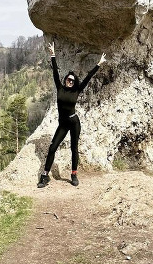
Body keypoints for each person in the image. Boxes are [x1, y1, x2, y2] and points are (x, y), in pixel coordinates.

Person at [37, 42, 106, 188]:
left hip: (74, 122)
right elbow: (55, 72)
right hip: (62, 123)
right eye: (68, 79)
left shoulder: (77, 90)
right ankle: (44, 176)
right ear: (65, 80)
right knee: (52, 148)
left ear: (75, 83)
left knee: (74, 148)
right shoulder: (60, 88)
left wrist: (99, 64)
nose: (70, 81)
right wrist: (53, 54)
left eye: (72, 80)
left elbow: (88, 77)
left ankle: (74, 174)